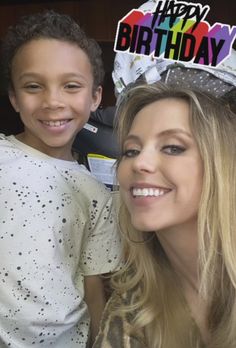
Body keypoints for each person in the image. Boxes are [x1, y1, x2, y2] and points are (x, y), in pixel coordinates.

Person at [0, 10, 121, 348]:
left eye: (71, 86)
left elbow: (95, 289)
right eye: (33, 86)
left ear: (95, 97)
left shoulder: (98, 195)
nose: (53, 101)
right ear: (14, 98)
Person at [93, 81, 236, 348]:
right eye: (130, 151)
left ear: (222, 165)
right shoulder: (132, 303)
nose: (139, 163)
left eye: (172, 147)